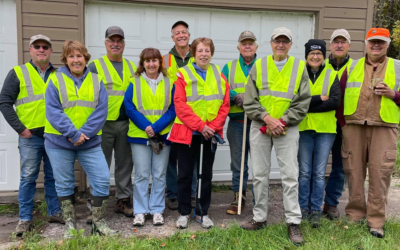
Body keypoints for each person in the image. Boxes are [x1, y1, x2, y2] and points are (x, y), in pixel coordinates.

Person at [241, 27, 310, 246]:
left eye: (285, 41)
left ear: (290, 44)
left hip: (287, 128)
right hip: (260, 127)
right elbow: (250, 100)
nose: (280, 44)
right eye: (276, 41)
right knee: (259, 175)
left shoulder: (300, 67)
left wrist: (283, 121)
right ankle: (259, 217)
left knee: (290, 176)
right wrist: (267, 118)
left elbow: (303, 100)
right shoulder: (259, 65)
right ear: (270, 43)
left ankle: (293, 221)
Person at [44, 40, 117, 238]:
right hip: (58, 142)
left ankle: (98, 223)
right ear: (65, 59)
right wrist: (74, 134)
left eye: (79, 56)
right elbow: (52, 111)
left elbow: (101, 111)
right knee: (65, 183)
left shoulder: (96, 80)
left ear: (86, 58)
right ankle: (70, 225)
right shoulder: (54, 79)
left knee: (102, 180)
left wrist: (84, 134)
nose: (76, 60)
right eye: (71, 56)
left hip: (90, 141)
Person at [0, 34, 63, 236]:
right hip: (31, 136)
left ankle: (55, 212)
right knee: (28, 177)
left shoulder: (60, 74)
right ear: (31, 50)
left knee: (54, 176)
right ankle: (25, 218)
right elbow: (4, 102)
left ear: (51, 50)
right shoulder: (18, 72)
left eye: (45, 46)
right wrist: (20, 129)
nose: (41, 49)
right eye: (37, 46)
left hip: (55, 136)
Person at [342, 28, 400, 238]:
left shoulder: (398, 67)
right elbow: (340, 95)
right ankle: (355, 215)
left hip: (384, 127)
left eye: (381, 42)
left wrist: (393, 94)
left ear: (388, 44)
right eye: (372, 42)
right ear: (366, 43)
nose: (376, 45)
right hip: (354, 125)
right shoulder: (353, 65)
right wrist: (343, 125)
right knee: (354, 171)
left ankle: (376, 221)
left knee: (380, 173)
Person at [168, 37, 230, 229]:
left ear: (211, 53)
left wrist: (211, 127)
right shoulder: (182, 74)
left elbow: (224, 104)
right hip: (188, 134)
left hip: (209, 134)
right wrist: (200, 126)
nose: (204, 54)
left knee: (205, 175)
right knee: (185, 175)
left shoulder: (219, 75)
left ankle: (202, 213)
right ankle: (185, 213)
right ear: (193, 54)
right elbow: (180, 105)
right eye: (200, 51)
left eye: (207, 51)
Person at [124, 48, 176, 226]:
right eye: (147, 61)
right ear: (142, 64)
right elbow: (129, 106)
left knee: (160, 174)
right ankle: (140, 211)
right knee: (141, 174)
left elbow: (173, 109)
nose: (151, 64)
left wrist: (156, 127)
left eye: (155, 60)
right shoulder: (134, 82)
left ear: (160, 63)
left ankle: (156, 210)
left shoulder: (170, 82)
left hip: (162, 136)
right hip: (140, 135)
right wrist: (146, 127)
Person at [88, 26, 136, 217]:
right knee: (100, 164)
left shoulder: (132, 67)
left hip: (126, 122)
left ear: (123, 44)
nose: (115, 44)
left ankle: (123, 201)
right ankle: (96, 204)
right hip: (103, 124)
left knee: (125, 163)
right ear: (106, 43)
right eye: (111, 40)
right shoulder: (94, 66)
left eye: (119, 41)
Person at [298, 39, 340, 228]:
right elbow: (294, 101)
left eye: (319, 54)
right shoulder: (298, 74)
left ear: (323, 57)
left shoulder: (332, 75)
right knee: (305, 172)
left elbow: (335, 102)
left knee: (319, 172)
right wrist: (317, 99)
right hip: (303, 128)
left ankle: (315, 210)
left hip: (325, 130)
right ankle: (302, 209)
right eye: (311, 54)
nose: (315, 57)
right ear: (306, 56)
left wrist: (307, 106)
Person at [221, 31, 258, 215]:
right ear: (238, 47)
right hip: (237, 122)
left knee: (260, 163)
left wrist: (250, 99)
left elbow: (270, 90)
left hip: (259, 123)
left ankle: (259, 198)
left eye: (251, 43)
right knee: (238, 163)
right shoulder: (229, 67)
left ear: (256, 46)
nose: (247, 46)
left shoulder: (265, 66)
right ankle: (239, 195)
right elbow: (221, 89)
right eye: (244, 44)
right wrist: (236, 96)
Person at [163, 21, 197, 210]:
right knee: (171, 159)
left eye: (184, 32)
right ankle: (173, 194)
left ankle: (191, 193)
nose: (181, 35)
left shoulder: (198, 57)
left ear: (189, 35)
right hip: (170, 116)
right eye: (177, 33)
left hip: (192, 116)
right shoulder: (163, 60)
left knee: (190, 158)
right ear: (172, 37)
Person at [323, 29, 352, 219]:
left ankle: (331, 203)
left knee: (339, 168)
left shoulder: (357, 68)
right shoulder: (319, 65)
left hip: (345, 125)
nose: (339, 45)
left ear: (349, 45)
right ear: (330, 45)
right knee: (316, 167)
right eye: (336, 42)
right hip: (322, 124)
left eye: (343, 42)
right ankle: (312, 202)